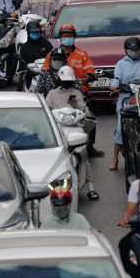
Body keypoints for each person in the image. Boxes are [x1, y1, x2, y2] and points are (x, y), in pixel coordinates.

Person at [47, 66, 99, 200]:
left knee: (84, 156)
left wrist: (75, 104)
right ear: (59, 80)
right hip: (58, 128)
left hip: (75, 127)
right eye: (64, 81)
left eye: (69, 81)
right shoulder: (52, 93)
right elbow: (47, 109)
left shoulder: (76, 92)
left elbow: (82, 109)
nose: (67, 83)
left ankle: (91, 188)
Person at [110, 37, 140, 169]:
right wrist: (114, 85)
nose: (134, 51)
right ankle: (115, 159)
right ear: (126, 50)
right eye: (131, 49)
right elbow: (116, 78)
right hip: (126, 98)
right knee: (121, 129)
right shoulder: (121, 64)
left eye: (136, 49)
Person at [43, 25, 95, 93]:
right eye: (64, 36)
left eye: (70, 36)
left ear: (74, 37)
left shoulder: (82, 54)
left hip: (79, 91)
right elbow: (45, 73)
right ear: (60, 37)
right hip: (57, 92)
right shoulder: (51, 55)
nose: (67, 38)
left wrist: (91, 76)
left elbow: (90, 71)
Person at [17, 19, 53, 90]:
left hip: (46, 73)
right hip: (31, 74)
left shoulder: (46, 44)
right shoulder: (24, 47)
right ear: (28, 33)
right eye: (33, 33)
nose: (35, 34)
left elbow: (52, 57)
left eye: (37, 32)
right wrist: (24, 68)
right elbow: (22, 64)